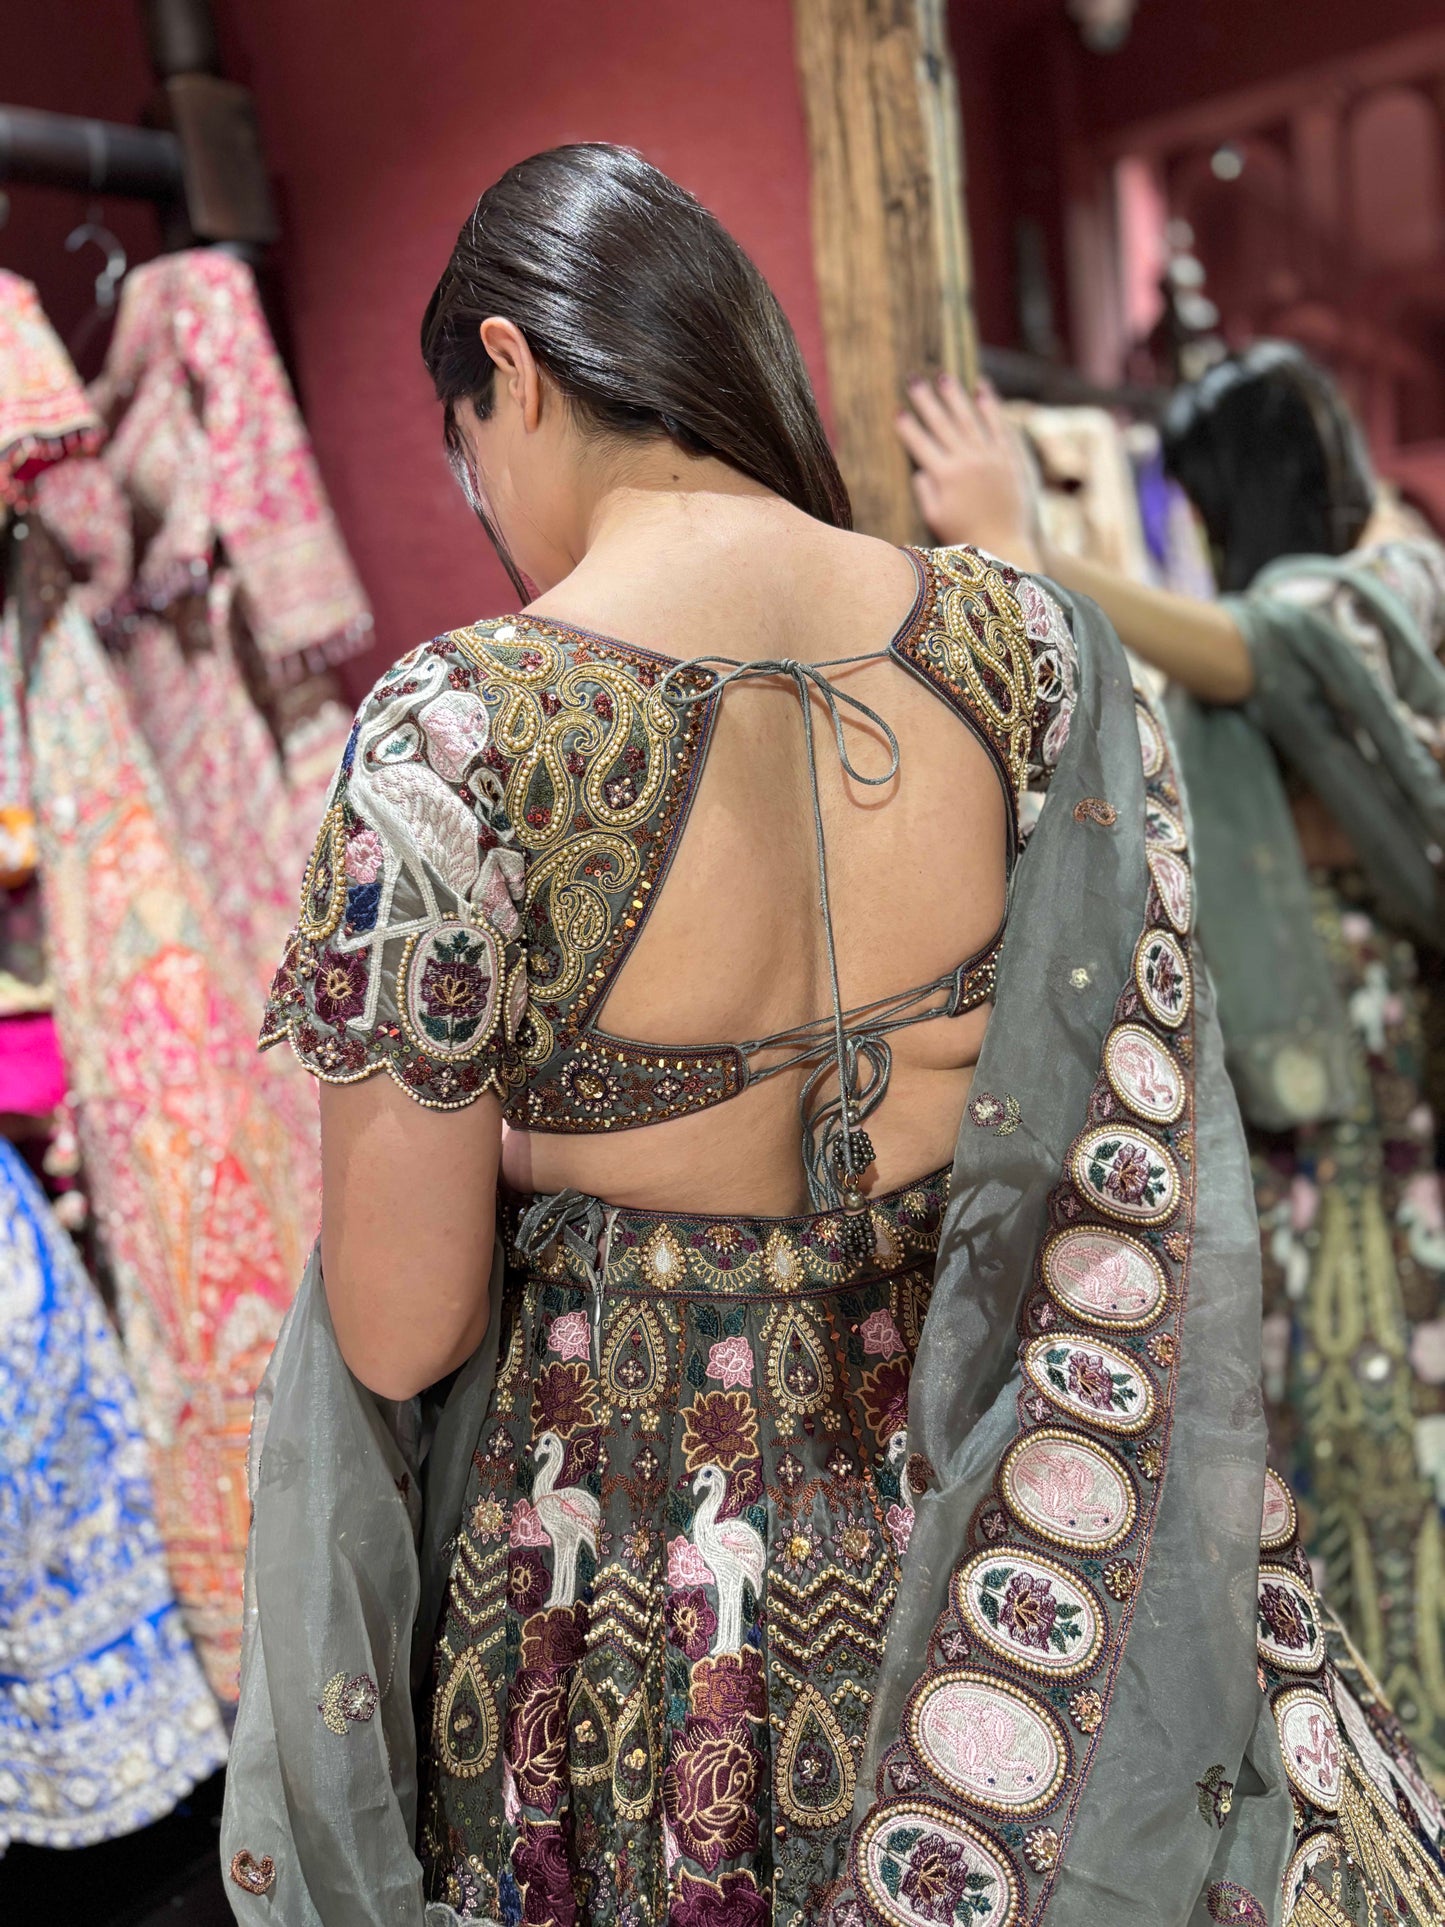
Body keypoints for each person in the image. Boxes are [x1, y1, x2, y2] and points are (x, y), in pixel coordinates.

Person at [221, 157, 1444, 1927]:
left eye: (463, 439)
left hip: (632, 1575)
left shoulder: (458, 725)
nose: (480, 493)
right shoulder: (1027, 647)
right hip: (1003, 1529)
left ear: (517, 366)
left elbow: (404, 1329)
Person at [897, 345, 1445, 1788]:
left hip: (1374, 1125)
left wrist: (1032, 547)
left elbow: (1264, 647)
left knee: (1392, 1420)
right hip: (1325, 1127)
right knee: (1339, 1426)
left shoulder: (1388, 581)